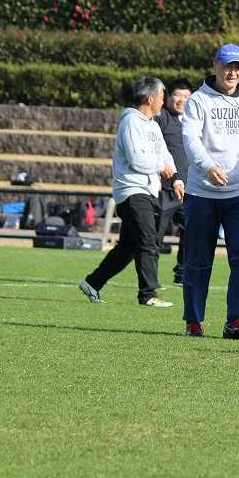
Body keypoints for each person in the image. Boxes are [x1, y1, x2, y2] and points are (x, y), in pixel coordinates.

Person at [181, 44, 239, 339]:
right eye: (227, 66)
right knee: (197, 259)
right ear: (215, 65)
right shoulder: (198, 100)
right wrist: (207, 167)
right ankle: (193, 321)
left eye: (237, 67)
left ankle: (235, 321)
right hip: (201, 193)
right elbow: (190, 139)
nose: (232, 72)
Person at [78, 77, 175, 308]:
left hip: (147, 191)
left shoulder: (153, 125)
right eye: (162, 97)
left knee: (128, 248)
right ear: (150, 99)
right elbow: (136, 159)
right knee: (148, 240)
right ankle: (148, 294)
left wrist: (176, 178)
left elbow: (165, 154)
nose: (164, 101)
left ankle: (92, 283)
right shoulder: (131, 122)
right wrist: (160, 167)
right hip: (132, 191)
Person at [155, 77, 192, 285]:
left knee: (192, 233)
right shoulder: (160, 118)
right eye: (177, 95)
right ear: (168, 97)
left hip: (189, 190)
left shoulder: (193, 121)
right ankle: (150, 279)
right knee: (156, 235)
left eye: (186, 96)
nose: (181, 100)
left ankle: (182, 274)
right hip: (164, 189)